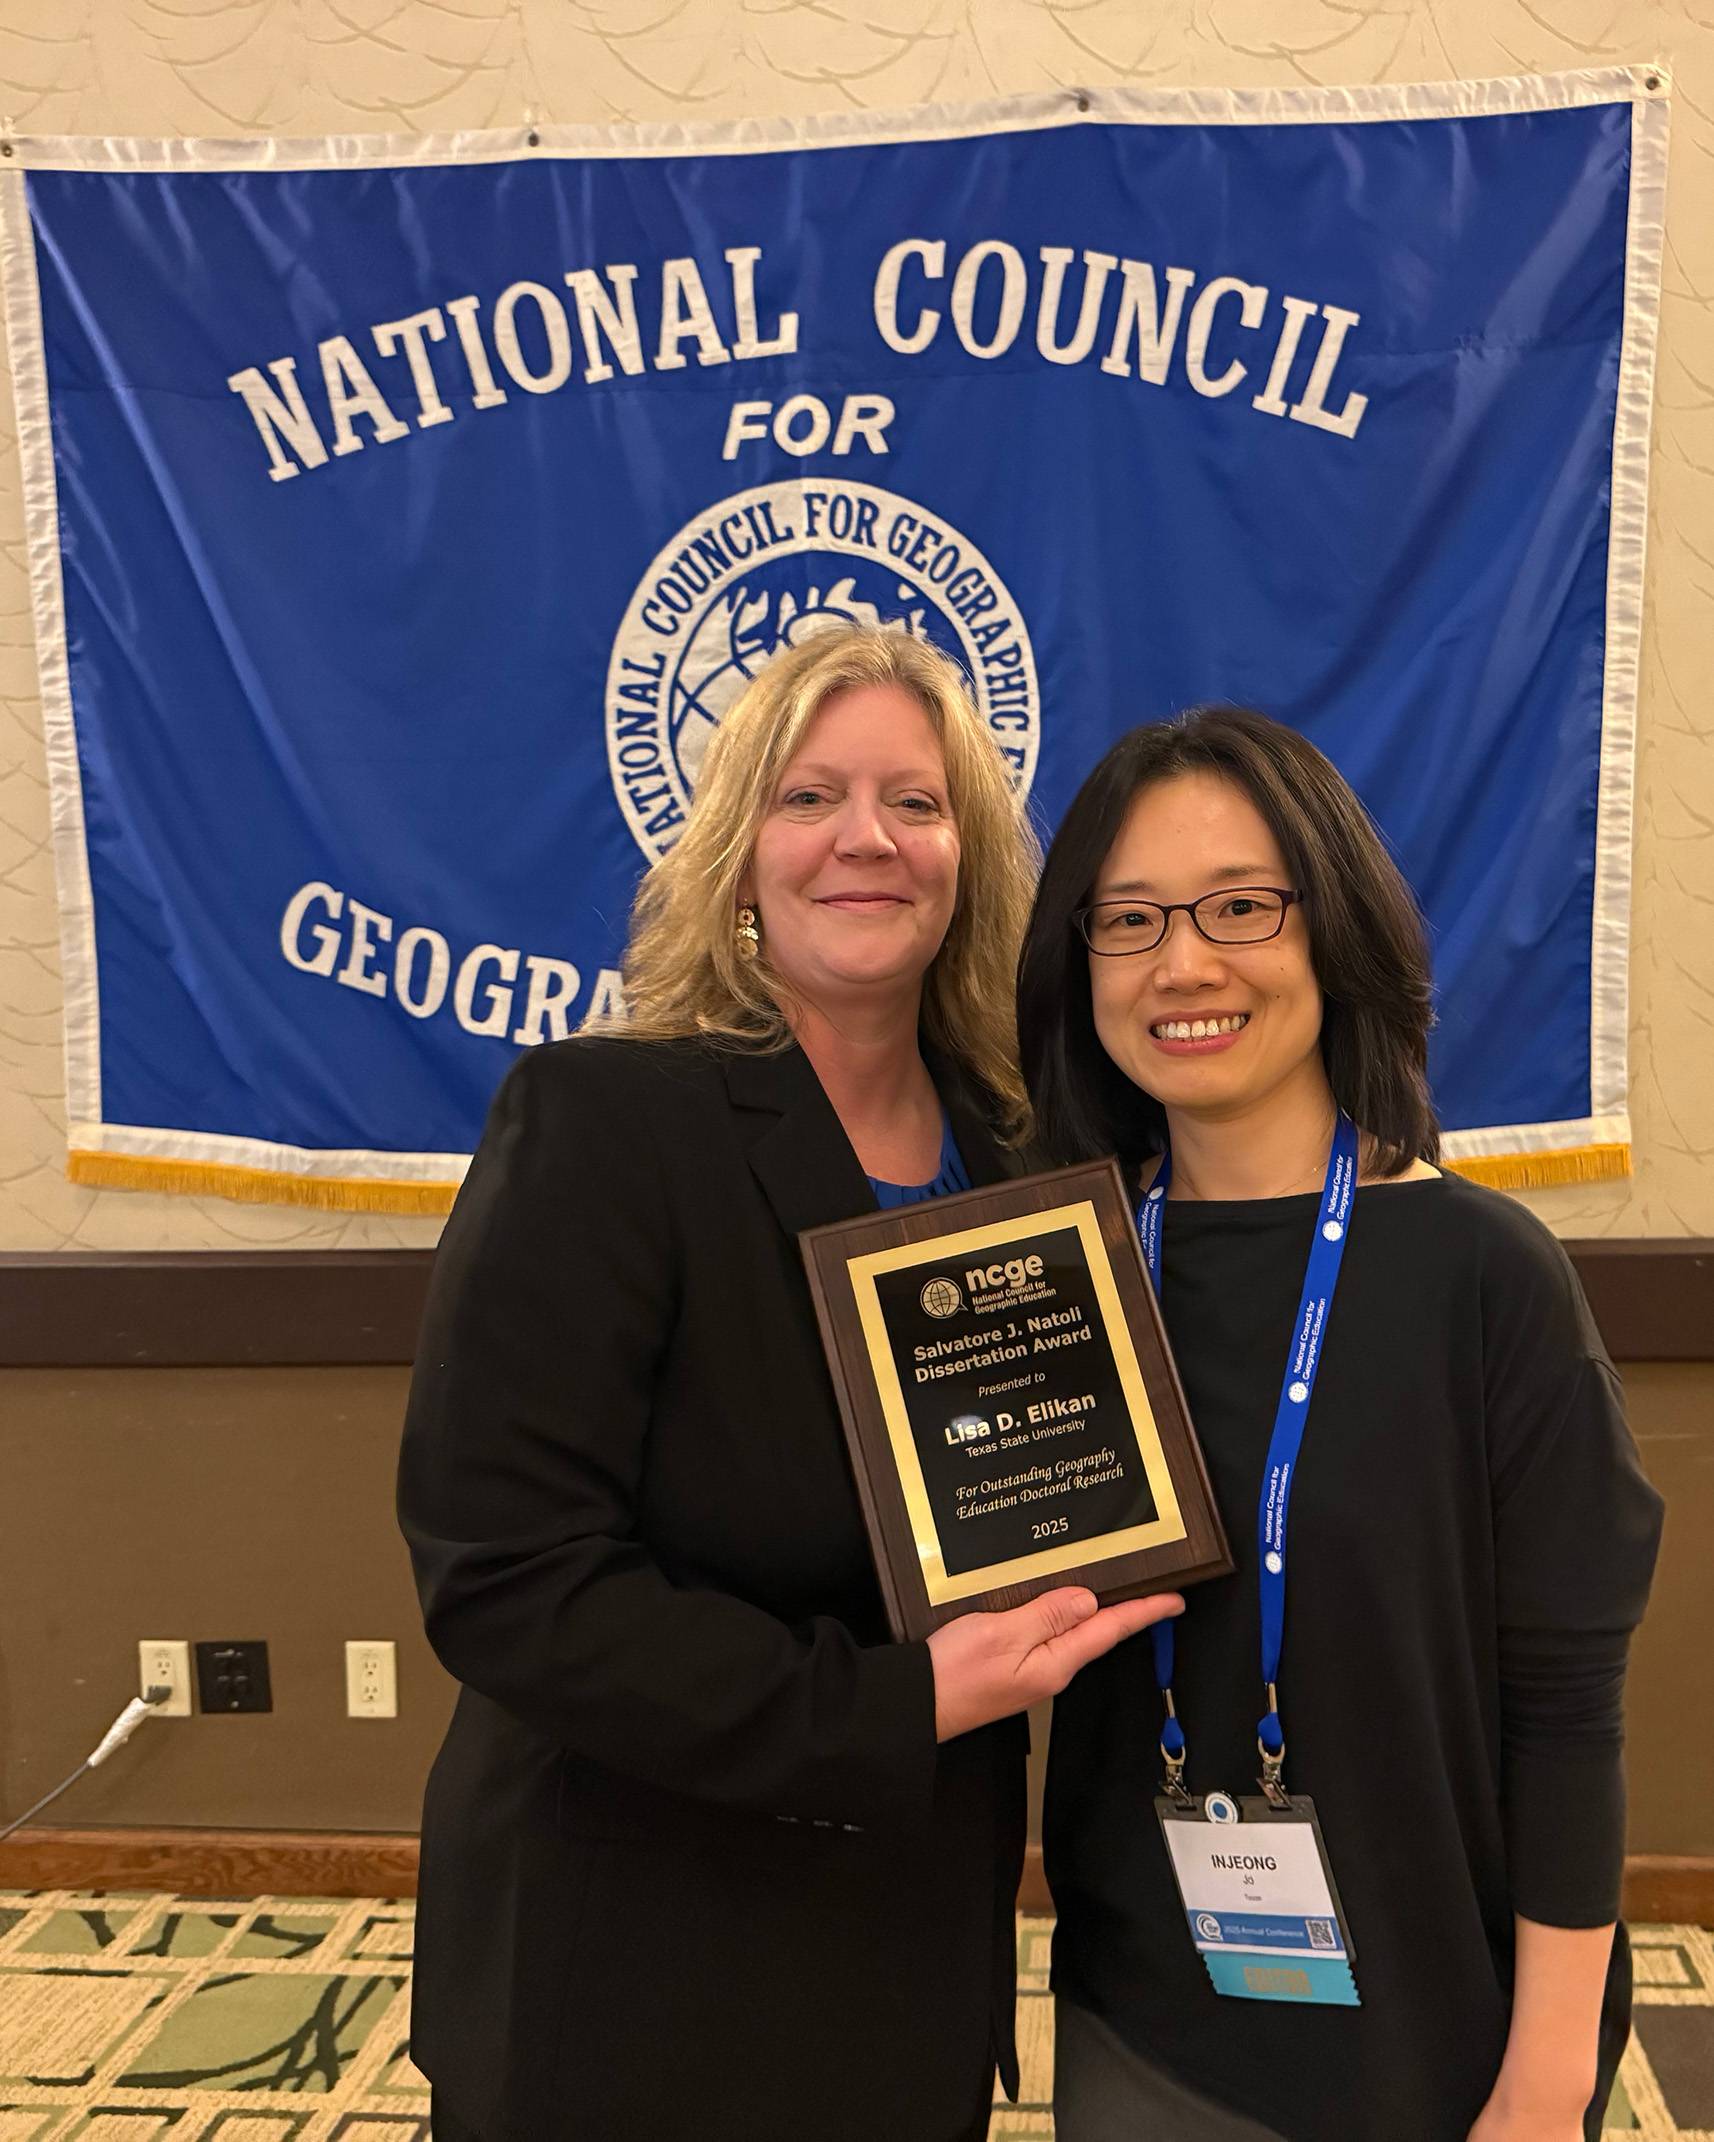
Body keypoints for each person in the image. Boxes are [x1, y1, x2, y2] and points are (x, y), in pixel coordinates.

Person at [396, 623, 1183, 2142]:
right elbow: (504, 1580)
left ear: (968, 855)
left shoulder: (1031, 1162)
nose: (865, 839)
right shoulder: (605, 1122)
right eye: (811, 796)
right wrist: (891, 1702)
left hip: (907, 1942)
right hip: (629, 1945)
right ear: (738, 852)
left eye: (916, 800)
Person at [1015, 706, 1663, 2142]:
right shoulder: (1058, 1285)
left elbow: (1565, 1709)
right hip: (1144, 2028)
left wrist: (1547, 2079)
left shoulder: (1482, 1275)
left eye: (1241, 905)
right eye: (1127, 919)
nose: (1183, 962)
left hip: (1449, 2045)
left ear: (1335, 927)